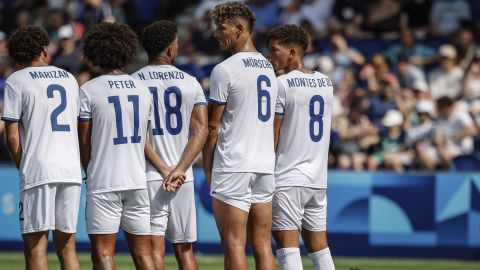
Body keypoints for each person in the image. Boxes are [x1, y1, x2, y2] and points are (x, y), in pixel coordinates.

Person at [78, 22, 170, 270]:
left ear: (95, 53)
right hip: (136, 180)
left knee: (103, 255)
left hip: (105, 180)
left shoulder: (89, 90)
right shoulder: (142, 89)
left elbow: (84, 143)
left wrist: (90, 172)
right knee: (143, 254)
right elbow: (144, 138)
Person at [202, 2, 278, 269]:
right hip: (265, 166)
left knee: (234, 244)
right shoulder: (269, 68)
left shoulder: (225, 69)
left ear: (240, 28)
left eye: (221, 28)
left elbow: (213, 127)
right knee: (263, 244)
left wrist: (209, 169)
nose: (216, 34)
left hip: (234, 164)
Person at [2, 25, 82, 270]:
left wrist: (22, 166)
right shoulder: (69, 78)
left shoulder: (16, 80)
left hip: (39, 168)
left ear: (16, 59)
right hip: (70, 170)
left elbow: (12, 137)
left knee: (35, 249)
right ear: (44, 52)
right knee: (67, 249)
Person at [132, 20, 208, 270]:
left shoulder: (134, 82)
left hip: (150, 175)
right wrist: (179, 169)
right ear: (171, 49)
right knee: (185, 251)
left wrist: (164, 169)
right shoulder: (191, 82)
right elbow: (201, 130)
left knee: (154, 250)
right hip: (182, 177)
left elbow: (137, 135)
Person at [267, 24, 335, 270]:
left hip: (288, 176)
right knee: (319, 247)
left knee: (287, 247)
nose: (270, 55)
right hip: (317, 179)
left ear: (292, 52)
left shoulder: (282, 84)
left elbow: (272, 136)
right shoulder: (326, 83)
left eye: (275, 50)